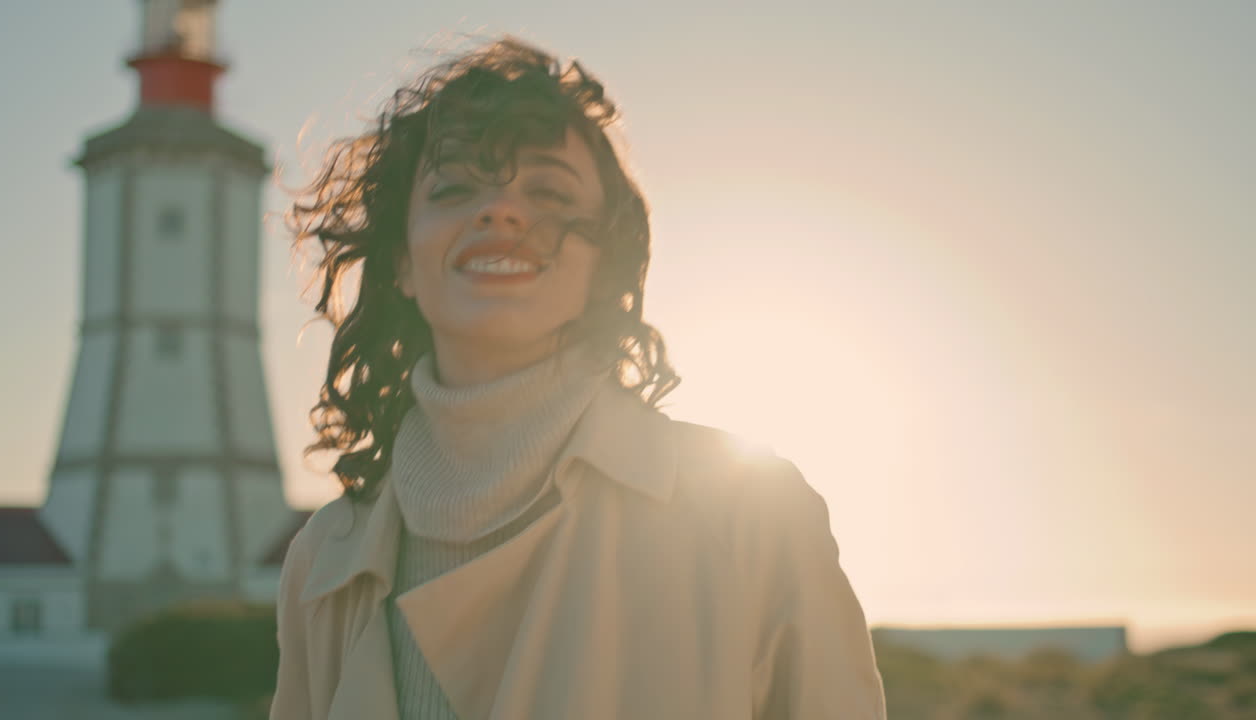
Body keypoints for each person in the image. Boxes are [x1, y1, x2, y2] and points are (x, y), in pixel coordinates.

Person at [271, 38, 887, 720]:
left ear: (606, 262)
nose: (500, 212)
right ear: (400, 265)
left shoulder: (753, 514)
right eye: (454, 189)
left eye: (548, 191)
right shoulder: (323, 560)